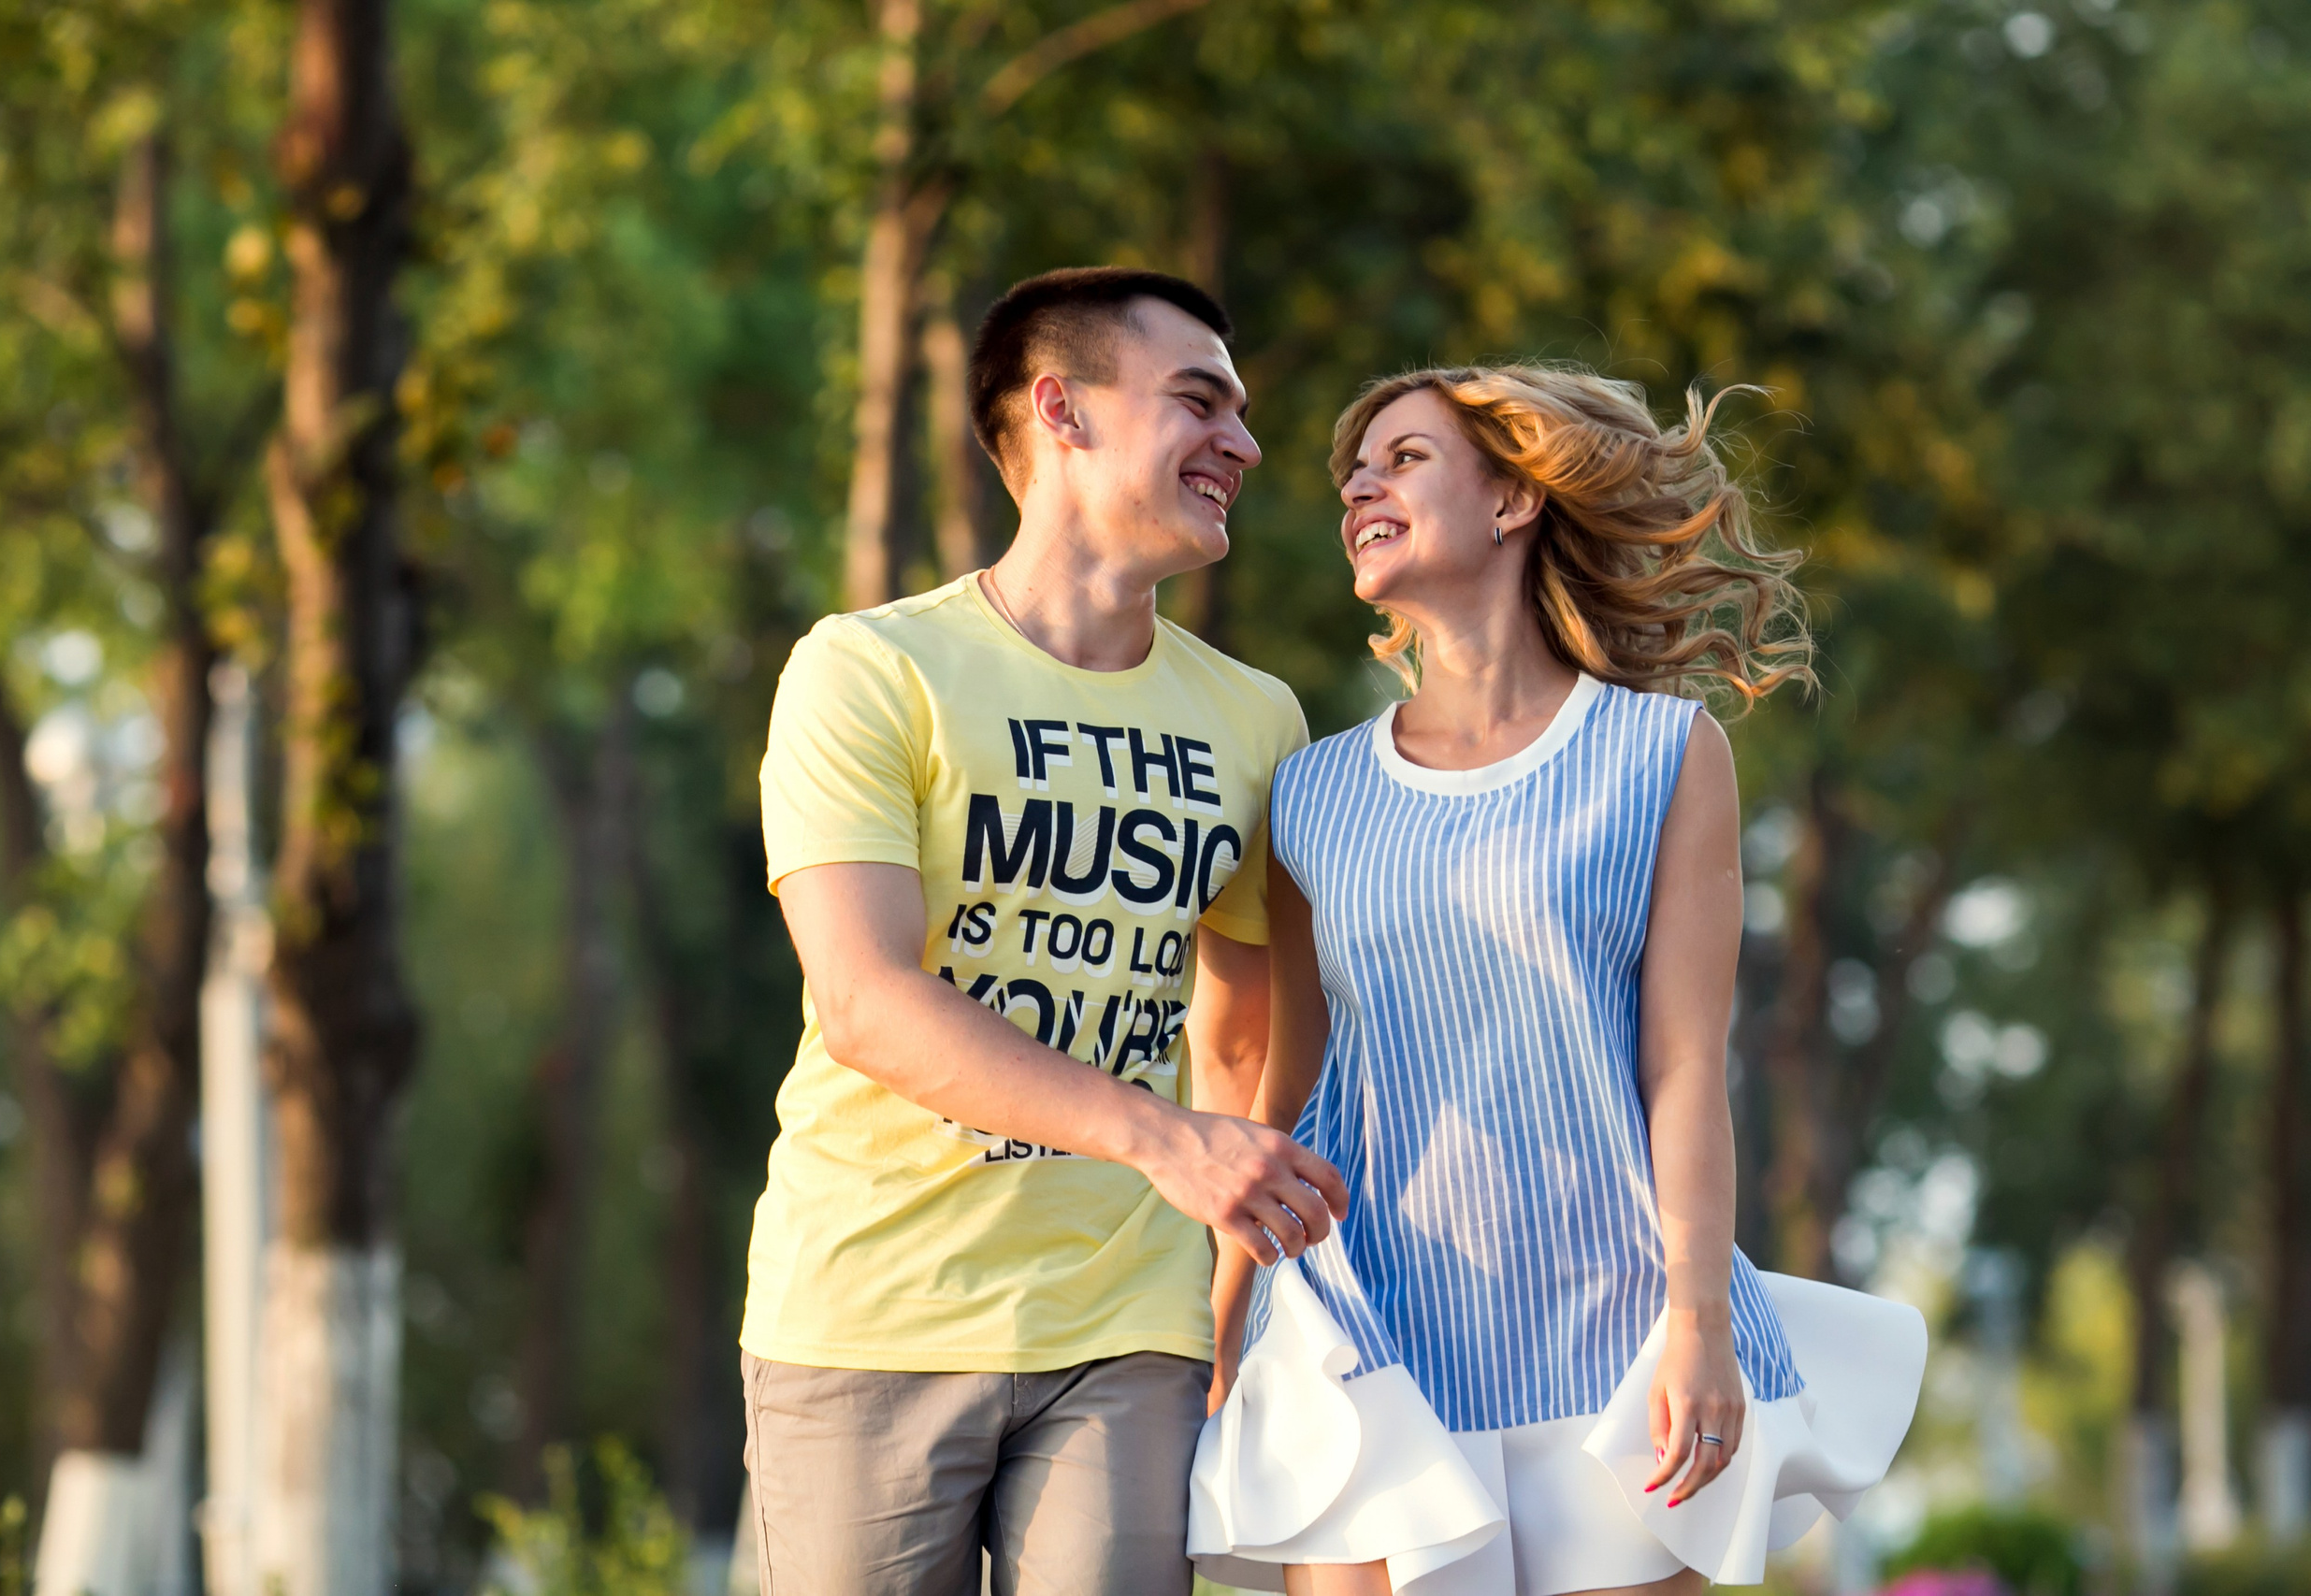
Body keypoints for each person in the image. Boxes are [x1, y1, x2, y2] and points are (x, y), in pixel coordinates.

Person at [1190, 366, 1928, 1596]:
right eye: (1354, 472)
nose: (1360, 484)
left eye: (1405, 457)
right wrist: (1220, 1340)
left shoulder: (1663, 754)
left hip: (1618, 1337)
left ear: (1513, 501)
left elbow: (1686, 1065)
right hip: (1373, 1342)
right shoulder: (1312, 793)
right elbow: (1288, 1090)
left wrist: (1695, 1324)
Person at [744, 266, 1347, 1596]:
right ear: (1061, 409)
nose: (1243, 443)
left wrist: (1232, 1288)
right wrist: (1165, 1138)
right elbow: (865, 1000)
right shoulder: (871, 669)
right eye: (1200, 402)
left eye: (1242, 413)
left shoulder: (1257, 720)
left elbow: (1252, 1025)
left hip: (1127, 1321)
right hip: (868, 1308)